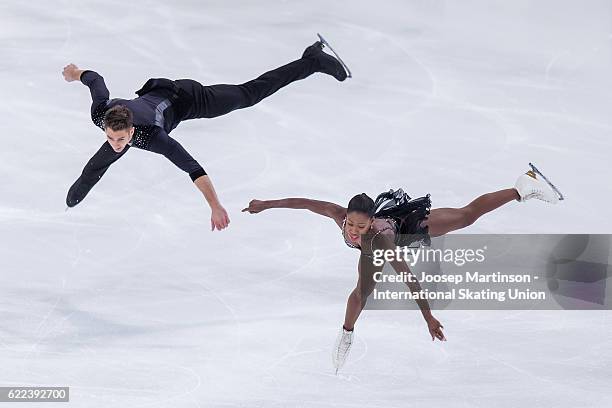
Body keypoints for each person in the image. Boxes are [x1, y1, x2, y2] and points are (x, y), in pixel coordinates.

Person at [242, 166, 561, 371]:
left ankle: (523, 187)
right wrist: (266, 204)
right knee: (362, 293)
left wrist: (428, 316)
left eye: (359, 225)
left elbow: (408, 278)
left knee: (465, 217)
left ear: (370, 222)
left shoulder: (379, 239)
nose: (352, 229)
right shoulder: (342, 218)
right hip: (374, 246)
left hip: (403, 231)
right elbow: (308, 203)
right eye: (350, 223)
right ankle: (346, 334)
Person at [62, 37, 349, 230]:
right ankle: (71, 202)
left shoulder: (152, 137)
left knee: (249, 94)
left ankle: (313, 61)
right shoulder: (102, 115)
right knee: (98, 163)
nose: (115, 143)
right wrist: (76, 73)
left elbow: (193, 168)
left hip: (188, 98)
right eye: (111, 137)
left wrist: (215, 205)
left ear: (132, 130)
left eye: (121, 139)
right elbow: (95, 80)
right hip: (155, 94)